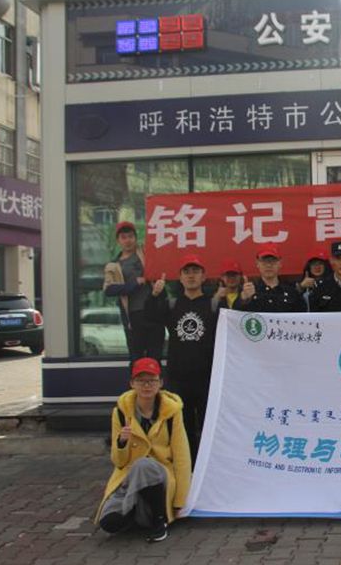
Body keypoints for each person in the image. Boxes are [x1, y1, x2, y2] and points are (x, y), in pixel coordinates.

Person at [96, 357, 191, 543]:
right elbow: (119, 462)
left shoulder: (172, 412)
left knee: (145, 465)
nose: (147, 386)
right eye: (141, 380)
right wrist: (121, 442)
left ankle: (158, 522)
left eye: (152, 380)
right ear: (132, 383)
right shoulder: (120, 412)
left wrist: (180, 501)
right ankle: (136, 511)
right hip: (129, 474)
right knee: (109, 523)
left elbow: (182, 456)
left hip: (161, 474)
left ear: (160, 383)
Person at [145, 254, 217, 463]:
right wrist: (154, 295)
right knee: (181, 427)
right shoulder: (172, 305)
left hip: (206, 377)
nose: (191, 276)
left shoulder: (213, 305)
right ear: (180, 277)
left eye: (195, 271)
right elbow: (149, 317)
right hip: (178, 377)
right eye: (187, 272)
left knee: (208, 426)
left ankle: (206, 466)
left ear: (203, 276)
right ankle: (186, 467)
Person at [103, 221, 164, 361]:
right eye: (123, 237)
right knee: (136, 358)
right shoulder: (113, 265)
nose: (128, 240)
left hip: (154, 311)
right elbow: (109, 289)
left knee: (155, 356)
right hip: (133, 316)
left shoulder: (145, 252)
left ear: (136, 238)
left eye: (130, 236)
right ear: (118, 240)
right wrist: (134, 283)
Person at [235, 244, 306, 313]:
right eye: (264, 261)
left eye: (273, 261)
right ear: (257, 263)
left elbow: (303, 316)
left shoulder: (291, 291)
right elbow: (234, 314)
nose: (268, 265)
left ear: (280, 263)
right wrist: (243, 299)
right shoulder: (249, 290)